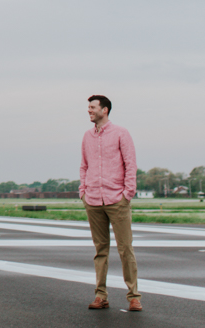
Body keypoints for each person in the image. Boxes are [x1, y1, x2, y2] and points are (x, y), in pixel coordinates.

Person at [79, 95, 140, 311]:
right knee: (100, 249)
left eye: (93, 107)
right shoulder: (87, 136)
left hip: (117, 199)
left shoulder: (121, 133)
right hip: (93, 200)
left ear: (104, 110)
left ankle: (133, 296)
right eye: (89, 107)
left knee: (125, 249)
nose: (89, 110)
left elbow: (130, 164)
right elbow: (84, 166)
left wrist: (127, 193)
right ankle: (100, 295)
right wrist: (83, 192)